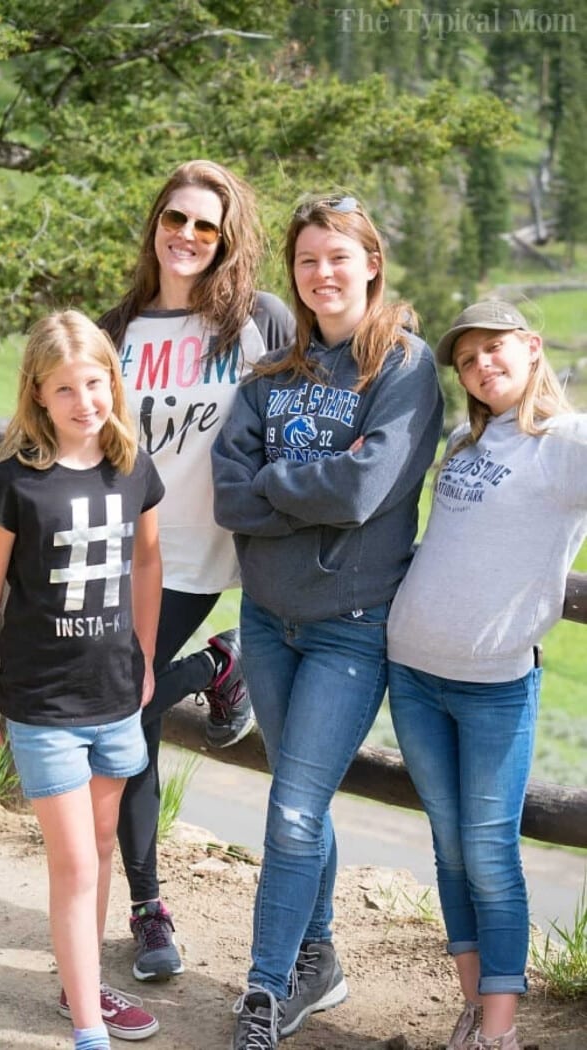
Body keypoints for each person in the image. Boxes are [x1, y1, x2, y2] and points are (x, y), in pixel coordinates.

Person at [211, 193, 444, 1048]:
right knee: (302, 803)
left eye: (339, 257)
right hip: (269, 622)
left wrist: (278, 482)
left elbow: (361, 491)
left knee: (294, 809)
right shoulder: (273, 374)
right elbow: (230, 492)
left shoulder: (406, 367)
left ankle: (264, 994)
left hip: (350, 625)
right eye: (308, 261)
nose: (322, 274)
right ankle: (319, 957)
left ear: (371, 264)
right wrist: (294, 488)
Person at [97, 159, 294, 981]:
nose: (186, 236)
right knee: (121, 707)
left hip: (198, 554)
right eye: (174, 219)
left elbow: (303, 410)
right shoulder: (120, 327)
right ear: (155, 225)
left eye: (205, 226)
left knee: (126, 702)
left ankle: (147, 909)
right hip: (113, 548)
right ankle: (218, 666)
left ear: (227, 239)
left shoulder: (256, 323)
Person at [0, 310, 164, 1049]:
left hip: (116, 698)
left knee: (101, 849)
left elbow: (146, 562)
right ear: (38, 396)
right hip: (44, 705)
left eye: (95, 381)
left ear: (113, 380)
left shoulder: (133, 466)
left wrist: (143, 655)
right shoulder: (17, 482)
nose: (85, 401)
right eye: (64, 388)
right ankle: (87, 1031)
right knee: (74, 862)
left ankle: (85, 986)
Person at [387, 300, 587, 1050]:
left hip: (495, 682)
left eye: (494, 350)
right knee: (448, 845)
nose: (481, 367)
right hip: (412, 671)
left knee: (490, 852)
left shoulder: (564, 443)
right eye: (468, 360)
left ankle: (498, 1033)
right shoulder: (468, 443)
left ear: (532, 348)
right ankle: (471, 1010)